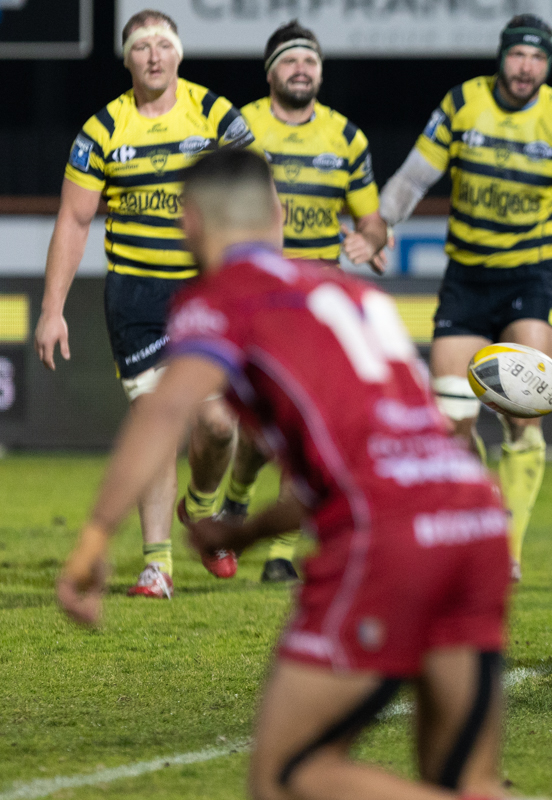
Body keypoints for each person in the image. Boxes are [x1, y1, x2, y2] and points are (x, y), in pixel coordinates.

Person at [55, 149, 512, 800]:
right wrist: (243, 534)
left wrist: (96, 536)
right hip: (476, 520)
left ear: (188, 224)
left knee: (285, 776)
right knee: (466, 781)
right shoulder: (353, 293)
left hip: (389, 539)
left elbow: (167, 409)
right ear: (279, 215)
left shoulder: (221, 299)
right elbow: (370, 460)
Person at [377, 14, 552, 580]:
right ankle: (479, 516)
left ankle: (507, 548)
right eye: (517, 55)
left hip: (533, 277)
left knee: (521, 412)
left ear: (547, 65)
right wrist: (381, 222)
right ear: (501, 57)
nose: (526, 67)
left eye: (537, 58)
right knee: (450, 419)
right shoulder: (463, 103)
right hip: (467, 277)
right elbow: (412, 179)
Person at [35, 9, 255, 597]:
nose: (153, 55)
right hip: (136, 295)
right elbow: (74, 220)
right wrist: (53, 309)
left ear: (178, 53)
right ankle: (157, 565)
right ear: (127, 58)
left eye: (163, 44)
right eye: (141, 46)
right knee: (155, 420)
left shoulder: (216, 115)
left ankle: (200, 506)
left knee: (218, 425)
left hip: (204, 293)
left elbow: (258, 198)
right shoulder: (103, 130)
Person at [224, 19, 389, 583]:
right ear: (270, 72)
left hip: (317, 303)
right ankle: (238, 494)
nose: (302, 70)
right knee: (259, 428)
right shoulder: (240, 127)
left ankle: (281, 553)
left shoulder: (346, 137)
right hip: (257, 295)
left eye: (311, 61)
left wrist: (370, 238)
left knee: (308, 426)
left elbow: (372, 220)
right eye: (291, 61)